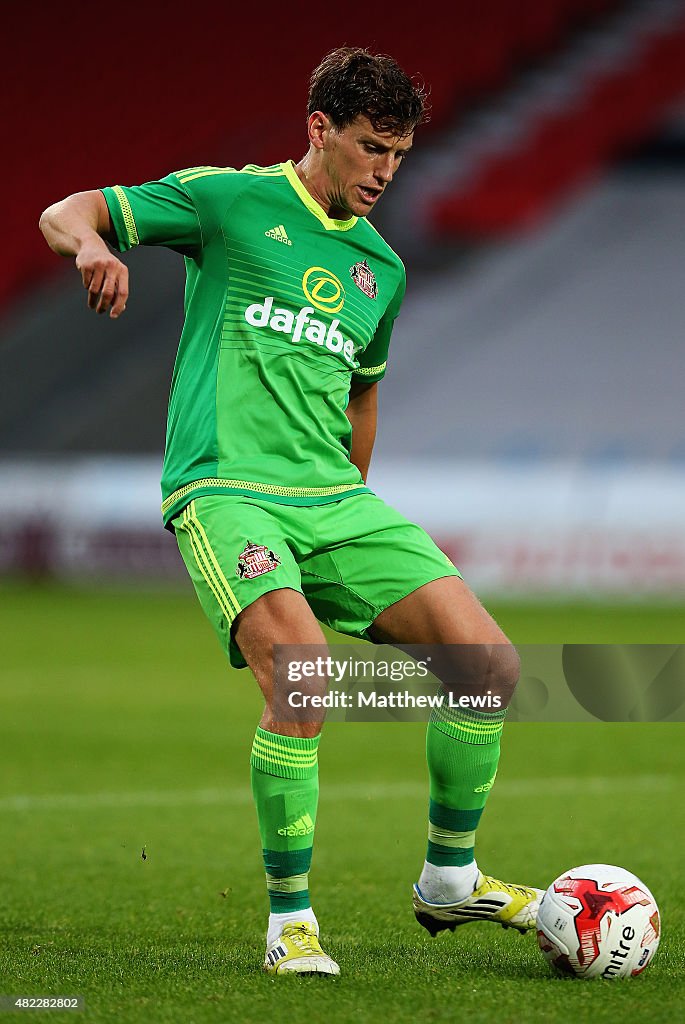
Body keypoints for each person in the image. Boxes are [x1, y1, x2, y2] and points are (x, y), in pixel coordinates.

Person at [39, 46, 541, 977]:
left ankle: (449, 876)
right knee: (304, 683)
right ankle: (289, 923)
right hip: (226, 487)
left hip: (334, 501)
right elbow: (68, 210)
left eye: (399, 153)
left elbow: (362, 397)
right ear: (318, 129)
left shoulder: (379, 268)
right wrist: (97, 245)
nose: (385, 171)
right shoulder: (229, 201)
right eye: (369, 148)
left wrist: (349, 508)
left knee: (488, 667)